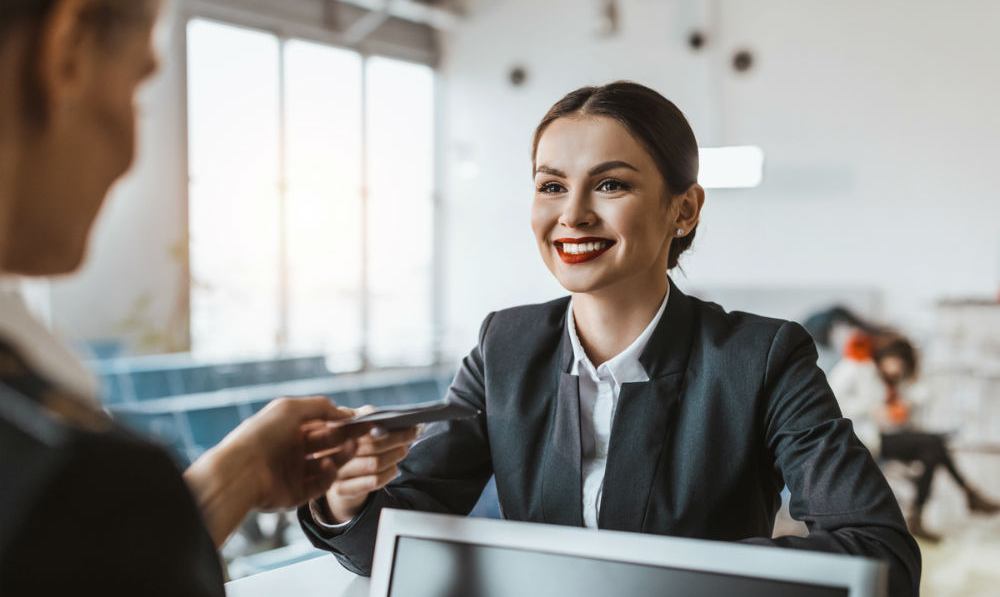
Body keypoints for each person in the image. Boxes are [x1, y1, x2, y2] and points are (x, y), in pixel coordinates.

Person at [299, 81, 922, 596]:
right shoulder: (505, 344)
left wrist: (670, 578)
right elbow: (390, 538)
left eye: (610, 184)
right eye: (551, 185)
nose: (572, 214)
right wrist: (345, 501)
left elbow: (882, 557)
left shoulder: (762, 357)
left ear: (684, 210)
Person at [0, 0, 376, 593]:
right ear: (66, 50)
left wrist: (243, 473)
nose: (128, 156)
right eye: (136, 90)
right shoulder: (74, 474)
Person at [828, 332, 1000, 542]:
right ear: (883, 356)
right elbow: (831, 401)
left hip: (888, 436)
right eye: (894, 362)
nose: (897, 369)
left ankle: (934, 509)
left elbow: (923, 393)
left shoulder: (893, 381)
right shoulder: (858, 368)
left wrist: (904, 405)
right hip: (865, 437)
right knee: (934, 445)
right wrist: (873, 409)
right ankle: (965, 495)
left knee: (933, 451)